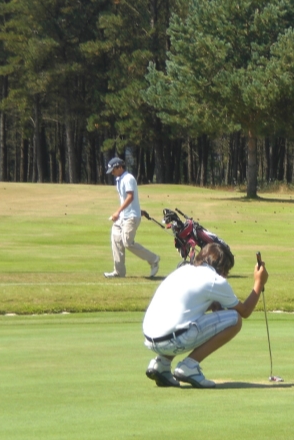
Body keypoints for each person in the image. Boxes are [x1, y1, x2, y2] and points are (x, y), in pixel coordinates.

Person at [142, 242, 269, 388]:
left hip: (151, 340)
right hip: (174, 340)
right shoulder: (216, 280)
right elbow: (245, 311)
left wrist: (210, 304)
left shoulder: (183, 270)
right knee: (235, 319)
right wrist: (259, 282)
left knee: (182, 320)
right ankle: (189, 366)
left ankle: (162, 364)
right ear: (223, 269)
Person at [103, 157, 161, 278]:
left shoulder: (128, 178)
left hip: (131, 217)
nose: (112, 173)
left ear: (119, 167)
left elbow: (130, 197)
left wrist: (117, 212)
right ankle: (119, 271)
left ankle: (154, 259)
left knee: (127, 243)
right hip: (124, 217)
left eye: (113, 170)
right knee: (115, 238)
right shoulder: (120, 179)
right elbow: (126, 199)